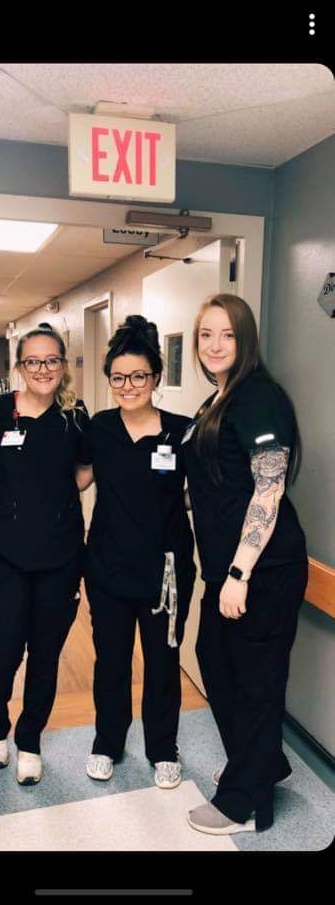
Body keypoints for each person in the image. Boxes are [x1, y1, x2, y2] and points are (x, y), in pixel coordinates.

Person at [181, 293, 308, 835]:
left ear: (246, 339)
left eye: (228, 334)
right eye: (206, 334)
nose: (215, 345)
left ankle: (244, 802)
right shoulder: (218, 399)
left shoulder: (258, 396)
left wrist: (239, 572)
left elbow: (268, 489)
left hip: (262, 570)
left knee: (255, 680)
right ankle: (263, 764)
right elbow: (218, 482)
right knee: (213, 657)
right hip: (226, 569)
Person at [76, 315, 196, 789]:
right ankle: (108, 742)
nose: (128, 386)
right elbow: (77, 480)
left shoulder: (181, 432)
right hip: (108, 566)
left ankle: (163, 747)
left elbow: (201, 492)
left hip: (165, 572)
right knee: (111, 660)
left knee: (163, 662)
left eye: (138, 376)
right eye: (118, 377)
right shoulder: (100, 428)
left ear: (156, 377)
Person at [0, 323, 90, 785]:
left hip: (60, 557)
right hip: (1, 554)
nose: (43, 369)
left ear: (63, 365)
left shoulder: (74, 416)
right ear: (20, 366)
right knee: (2, 652)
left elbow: (85, 471)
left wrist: (53, 497)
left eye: (52, 360)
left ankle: (30, 741)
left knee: (45, 653)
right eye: (33, 361)